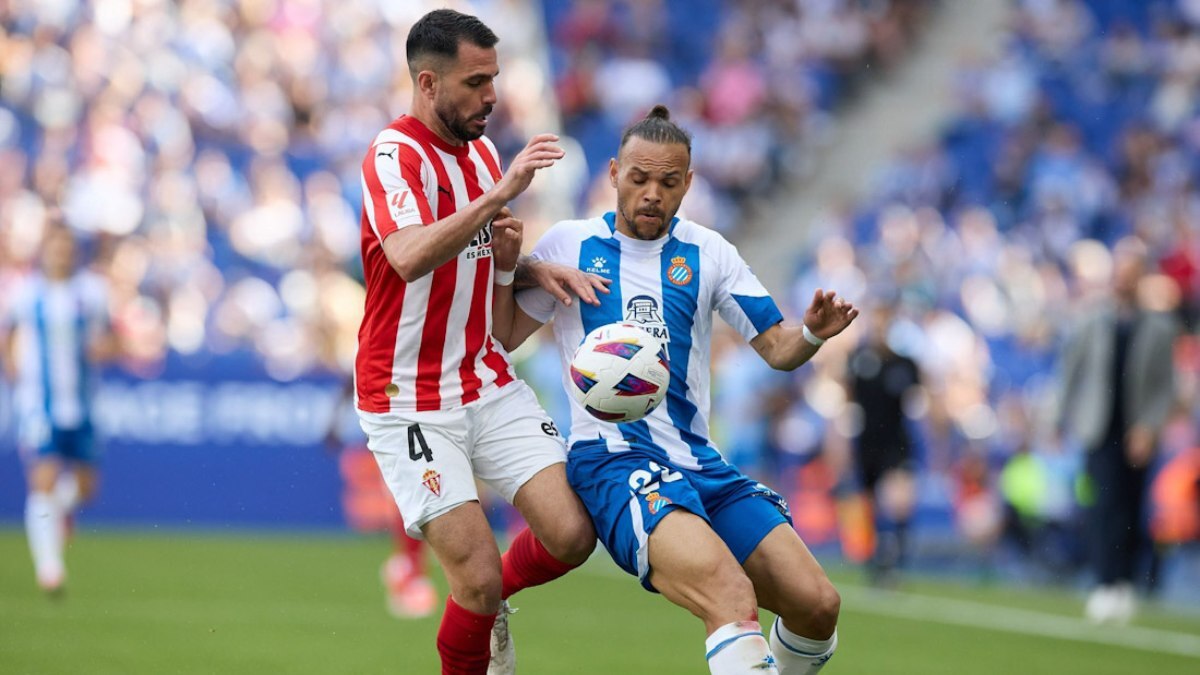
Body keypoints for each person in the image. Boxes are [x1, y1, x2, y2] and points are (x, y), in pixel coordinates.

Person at [494, 106, 857, 674]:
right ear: (614, 172)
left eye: (668, 182)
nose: (651, 194)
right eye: (638, 178)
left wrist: (811, 332)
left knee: (818, 606)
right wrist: (515, 271)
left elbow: (778, 348)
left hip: (702, 464)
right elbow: (503, 334)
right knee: (730, 597)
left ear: (688, 183)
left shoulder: (708, 252)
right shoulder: (569, 243)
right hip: (614, 464)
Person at [354, 10, 606, 674]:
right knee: (475, 574)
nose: (492, 95)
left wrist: (524, 269)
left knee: (573, 533)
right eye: (476, 81)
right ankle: (481, 609)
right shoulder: (394, 154)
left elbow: (468, 260)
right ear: (429, 83)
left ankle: (490, 606)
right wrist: (500, 195)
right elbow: (408, 254)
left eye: (494, 78)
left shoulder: (484, 152)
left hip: (485, 378)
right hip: (407, 396)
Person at [1059, 236, 1180, 624]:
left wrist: (1149, 427)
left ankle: (1124, 581)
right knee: (1102, 506)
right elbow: (1071, 372)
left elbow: (1165, 385)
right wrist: (1059, 418)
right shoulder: (1093, 319)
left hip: (1136, 433)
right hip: (1099, 425)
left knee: (1131, 507)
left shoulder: (1160, 327)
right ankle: (1104, 581)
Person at [1, 226, 118, 595]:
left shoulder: (92, 293)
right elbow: (8, 336)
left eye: (67, 248)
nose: (61, 254)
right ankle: (50, 569)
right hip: (40, 404)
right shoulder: (25, 292)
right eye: (55, 247)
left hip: (83, 404)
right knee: (44, 478)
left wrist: (105, 349)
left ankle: (62, 514)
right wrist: (14, 369)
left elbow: (112, 338)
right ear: (44, 251)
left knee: (85, 488)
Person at [326, 377, 437, 619]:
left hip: (407, 429)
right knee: (411, 499)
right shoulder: (380, 352)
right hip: (393, 433)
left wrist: (334, 423)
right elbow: (352, 379)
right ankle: (411, 569)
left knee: (416, 499)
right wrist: (334, 422)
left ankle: (408, 565)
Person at [844, 304, 921, 586]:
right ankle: (877, 560)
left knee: (898, 501)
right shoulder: (857, 360)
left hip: (896, 441)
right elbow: (848, 399)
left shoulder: (905, 364)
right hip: (867, 442)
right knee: (870, 503)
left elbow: (917, 402)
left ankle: (896, 557)